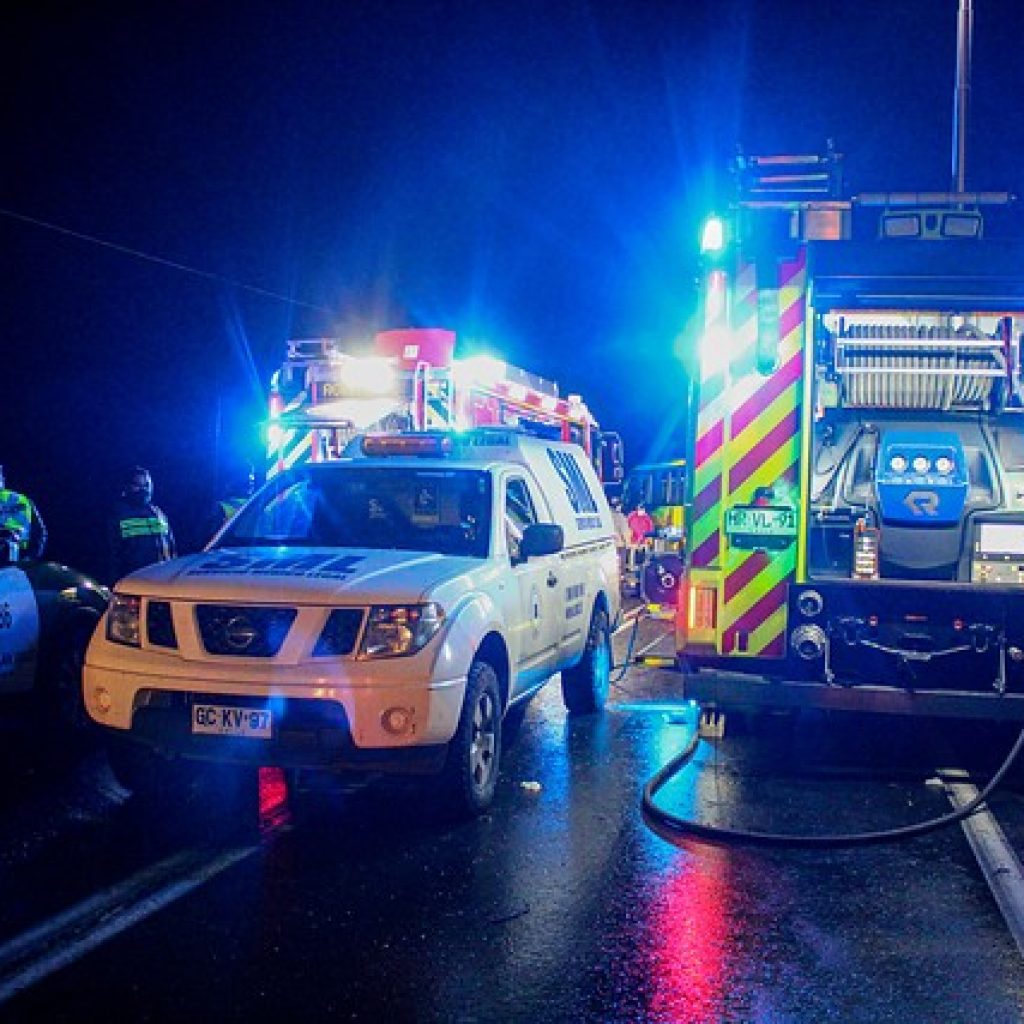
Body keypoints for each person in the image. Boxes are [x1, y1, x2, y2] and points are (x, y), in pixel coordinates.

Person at [107, 466, 176, 583]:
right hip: (134, 582)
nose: (143, 489)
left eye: (147, 485)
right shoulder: (118, 514)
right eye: (137, 485)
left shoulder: (158, 513)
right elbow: (110, 554)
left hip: (163, 580)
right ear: (127, 487)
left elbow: (172, 548)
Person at [0, 464, 47, 560]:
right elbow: (39, 533)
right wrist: (29, 559)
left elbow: (38, 532)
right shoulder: (21, 499)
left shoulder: (21, 500)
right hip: (17, 561)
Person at [204, 466, 256, 542]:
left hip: (231, 550)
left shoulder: (221, 508)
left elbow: (211, 537)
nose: (251, 479)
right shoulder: (263, 505)